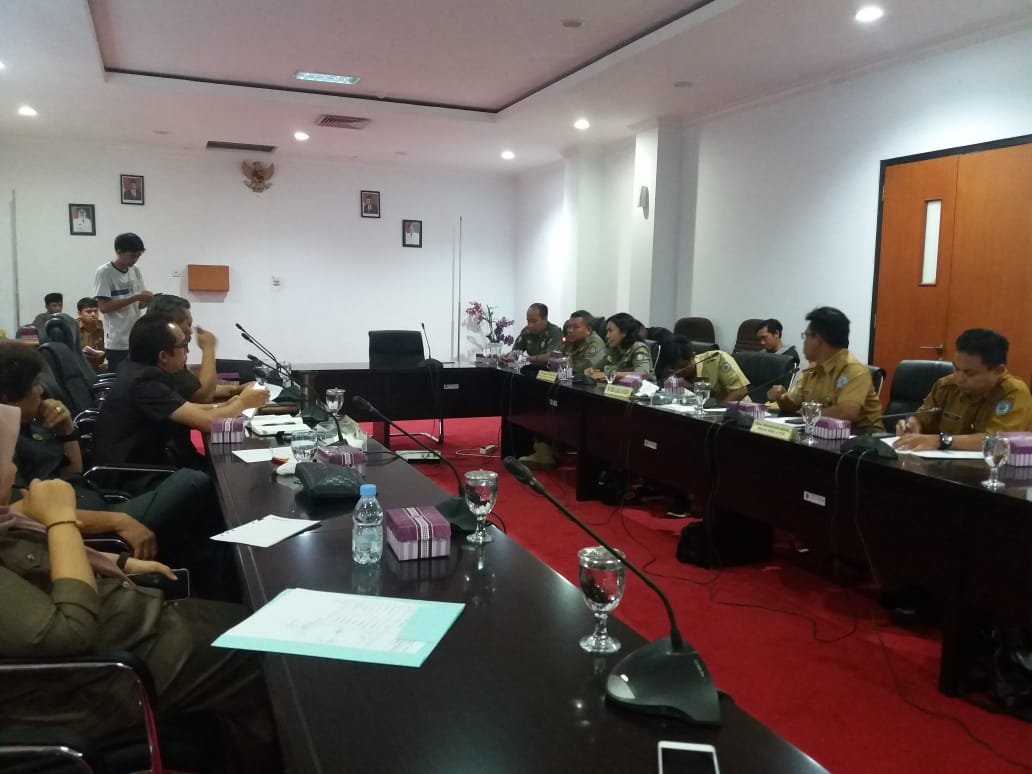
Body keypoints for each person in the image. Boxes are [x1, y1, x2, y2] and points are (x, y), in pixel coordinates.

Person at [0, 416, 282, 772]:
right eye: (5, 460)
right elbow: (69, 632)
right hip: (95, 681)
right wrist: (61, 520)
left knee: (256, 619)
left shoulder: (5, 521)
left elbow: (37, 561)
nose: (14, 470)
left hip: (131, 628)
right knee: (275, 652)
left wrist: (120, 561)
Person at [0, 341, 230, 586]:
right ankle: (220, 578)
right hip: (90, 520)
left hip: (94, 499)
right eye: (34, 385)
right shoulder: (5, 443)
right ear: (6, 397)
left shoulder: (33, 422)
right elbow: (24, 515)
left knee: (197, 515)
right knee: (196, 480)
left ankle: (214, 574)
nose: (41, 391)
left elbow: (74, 471)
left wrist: (66, 429)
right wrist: (117, 521)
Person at [92, 315, 268, 471]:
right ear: (163, 356)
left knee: (215, 468)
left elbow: (184, 407)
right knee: (217, 477)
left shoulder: (138, 369)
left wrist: (226, 405)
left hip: (145, 461)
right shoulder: (145, 382)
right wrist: (243, 403)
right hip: (135, 474)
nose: (188, 351)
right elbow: (207, 422)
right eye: (184, 345)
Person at [895, 328, 1032, 451]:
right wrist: (913, 425)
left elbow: (998, 441)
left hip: (992, 468)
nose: (959, 378)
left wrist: (942, 441)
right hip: (941, 465)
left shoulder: (1013, 393)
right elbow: (922, 419)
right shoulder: (946, 386)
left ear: (998, 371)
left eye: (969, 373)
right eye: (956, 368)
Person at [767, 306, 883, 432]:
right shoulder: (813, 368)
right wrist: (781, 397)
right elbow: (794, 403)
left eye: (806, 335)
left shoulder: (853, 369)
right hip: (819, 433)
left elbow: (846, 413)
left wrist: (806, 413)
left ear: (818, 339)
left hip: (862, 438)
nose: (804, 341)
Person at [149, 294, 246, 403]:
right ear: (172, 325)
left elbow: (192, 390)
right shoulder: (163, 356)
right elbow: (203, 397)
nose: (191, 331)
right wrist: (208, 348)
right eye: (188, 324)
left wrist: (239, 389)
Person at [93, 232, 153, 371]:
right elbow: (104, 307)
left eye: (138, 256)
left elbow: (139, 305)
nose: (135, 260)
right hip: (117, 341)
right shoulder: (104, 272)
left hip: (136, 336)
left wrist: (147, 300)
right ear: (119, 252)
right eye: (132, 256)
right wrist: (135, 298)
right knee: (120, 378)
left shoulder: (135, 270)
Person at [661, 335, 750, 404]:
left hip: (737, 412)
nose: (677, 372)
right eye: (673, 368)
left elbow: (740, 391)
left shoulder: (718, 359)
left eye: (682, 367)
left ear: (692, 356)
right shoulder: (671, 373)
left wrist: (718, 413)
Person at [586, 312, 653, 381]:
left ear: (624, 332)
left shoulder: (638, 348)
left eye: (610, 331)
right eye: (607, 331)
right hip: (621, 386)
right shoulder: (614, 348)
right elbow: (598, 367)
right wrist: (591, 370)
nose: (607, 336)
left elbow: (642, 374)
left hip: (643, 387)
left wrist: (611, 374)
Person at [563, 310, 607, 375]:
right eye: (569, 326)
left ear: (588, 330)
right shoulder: (570, 340)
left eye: (576, 327)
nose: (570, 330)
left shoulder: (595, 343)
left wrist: (564, 365)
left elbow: (586, 367)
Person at [76, 296, 107, 372]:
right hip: (79, 369)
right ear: (79, 314)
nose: (93, 314)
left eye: (96, 311)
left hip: (100, 368)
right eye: (89, 311)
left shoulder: (104, 327)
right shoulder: (73, 328)